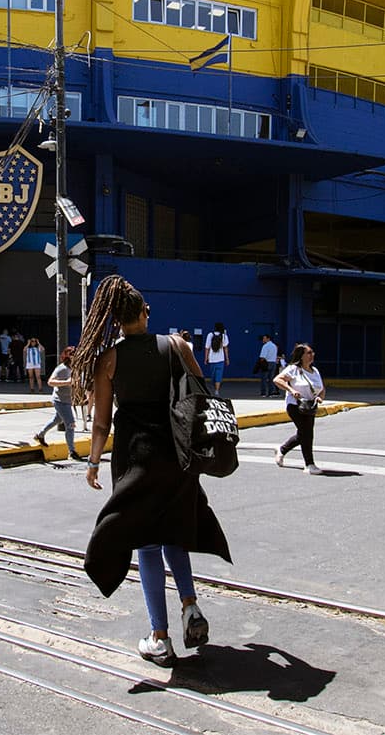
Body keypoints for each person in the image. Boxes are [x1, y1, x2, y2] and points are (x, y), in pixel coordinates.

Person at [75, 276, 229, 668]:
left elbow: (101, 423)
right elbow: (202, 394)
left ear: (113, 319)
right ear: (145, 313)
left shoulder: (108, 359)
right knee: (174, 530)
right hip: (176, 456)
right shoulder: (176, 345)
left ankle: (158, 636)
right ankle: (189, 605)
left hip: (134, 457)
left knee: (145, 542)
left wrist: (93, 462)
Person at [273, 343, 326, 473]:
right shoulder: (293, 369)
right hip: (295, 405)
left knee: (303, 434)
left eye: (312, 353)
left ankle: (282, 449)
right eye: (309, 353)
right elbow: (277, 380)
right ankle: (309, 465)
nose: (312, 355)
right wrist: (291, 390)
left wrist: (320, 397)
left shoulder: (315, 371)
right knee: (307, 433)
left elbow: (322, 388)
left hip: (310, 406)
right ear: (301, 356)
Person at [37, 349, 79, 456]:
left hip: (67, 400)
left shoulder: (74, 369)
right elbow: (50, 382)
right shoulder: (61, 369)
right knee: (70, 424)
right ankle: (72, 451)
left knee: (57, 419)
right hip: (60, 400)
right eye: (72, 355)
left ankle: (40, 434)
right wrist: (66, 382)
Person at [204, 323, 230, 391]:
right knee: (219, 375)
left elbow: (207, 348)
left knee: (213, 376)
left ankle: (216, 389)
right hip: (221, 359)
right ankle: (217, 390)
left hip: (212, 359)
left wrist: (206, 358)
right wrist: (227, 359)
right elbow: (225, 348)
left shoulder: (210, 335)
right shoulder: (224, 336)